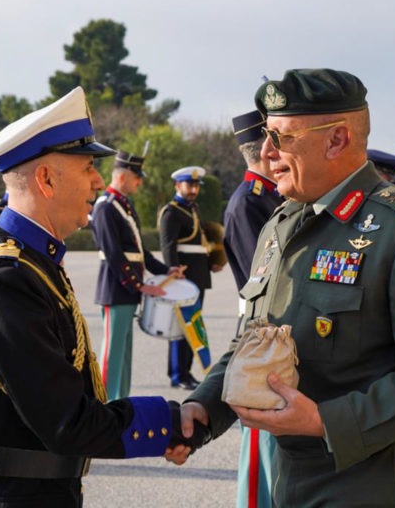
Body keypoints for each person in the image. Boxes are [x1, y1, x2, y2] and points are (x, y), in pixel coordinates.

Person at [171, 69, 395, 507]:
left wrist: (324, 421)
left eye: (281, 138)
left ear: (336, 140)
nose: (265, 152)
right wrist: (204, 407)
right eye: (265, 137)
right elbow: (253, 338)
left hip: (369, 478)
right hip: (291, 472)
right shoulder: (282, 224)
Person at [0, 87, 202, 508]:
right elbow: (66, 421)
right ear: (46, 179)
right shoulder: (8, 279)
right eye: (88, 167)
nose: (97, 181)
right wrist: (169, 421)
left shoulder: (32, 261)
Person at [224, 110, 283, 508]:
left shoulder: (272, 197)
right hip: (263, 332)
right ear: (264, 148)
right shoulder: (249, 203)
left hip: (275, 332)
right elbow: (260, 283)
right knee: (260, 437)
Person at [91, 150, 182, 400]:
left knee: (124, 355)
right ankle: (104, 407)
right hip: (116, 288)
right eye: (137, 177)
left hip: (127, 290)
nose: (140, 182)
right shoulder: (106, 207)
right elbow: (114, 254)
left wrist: (166, 270)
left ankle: (121, 404)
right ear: (123, 176)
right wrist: (139, 285)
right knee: (112, 353)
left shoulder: (124, 205)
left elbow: (140, 251)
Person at [158, 167, 218, 390]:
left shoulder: (193, 209)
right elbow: (167, 245)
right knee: (181, 325)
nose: (193, 189)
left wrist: (213, 261)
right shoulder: (171, 212)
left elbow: (200, 243)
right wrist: (173, 271)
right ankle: (177, 373)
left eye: (195, 186)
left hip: (198, 275)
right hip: (183, 276)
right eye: (188, 185)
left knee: (193, 325)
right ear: (177, 186)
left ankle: (186, 371)